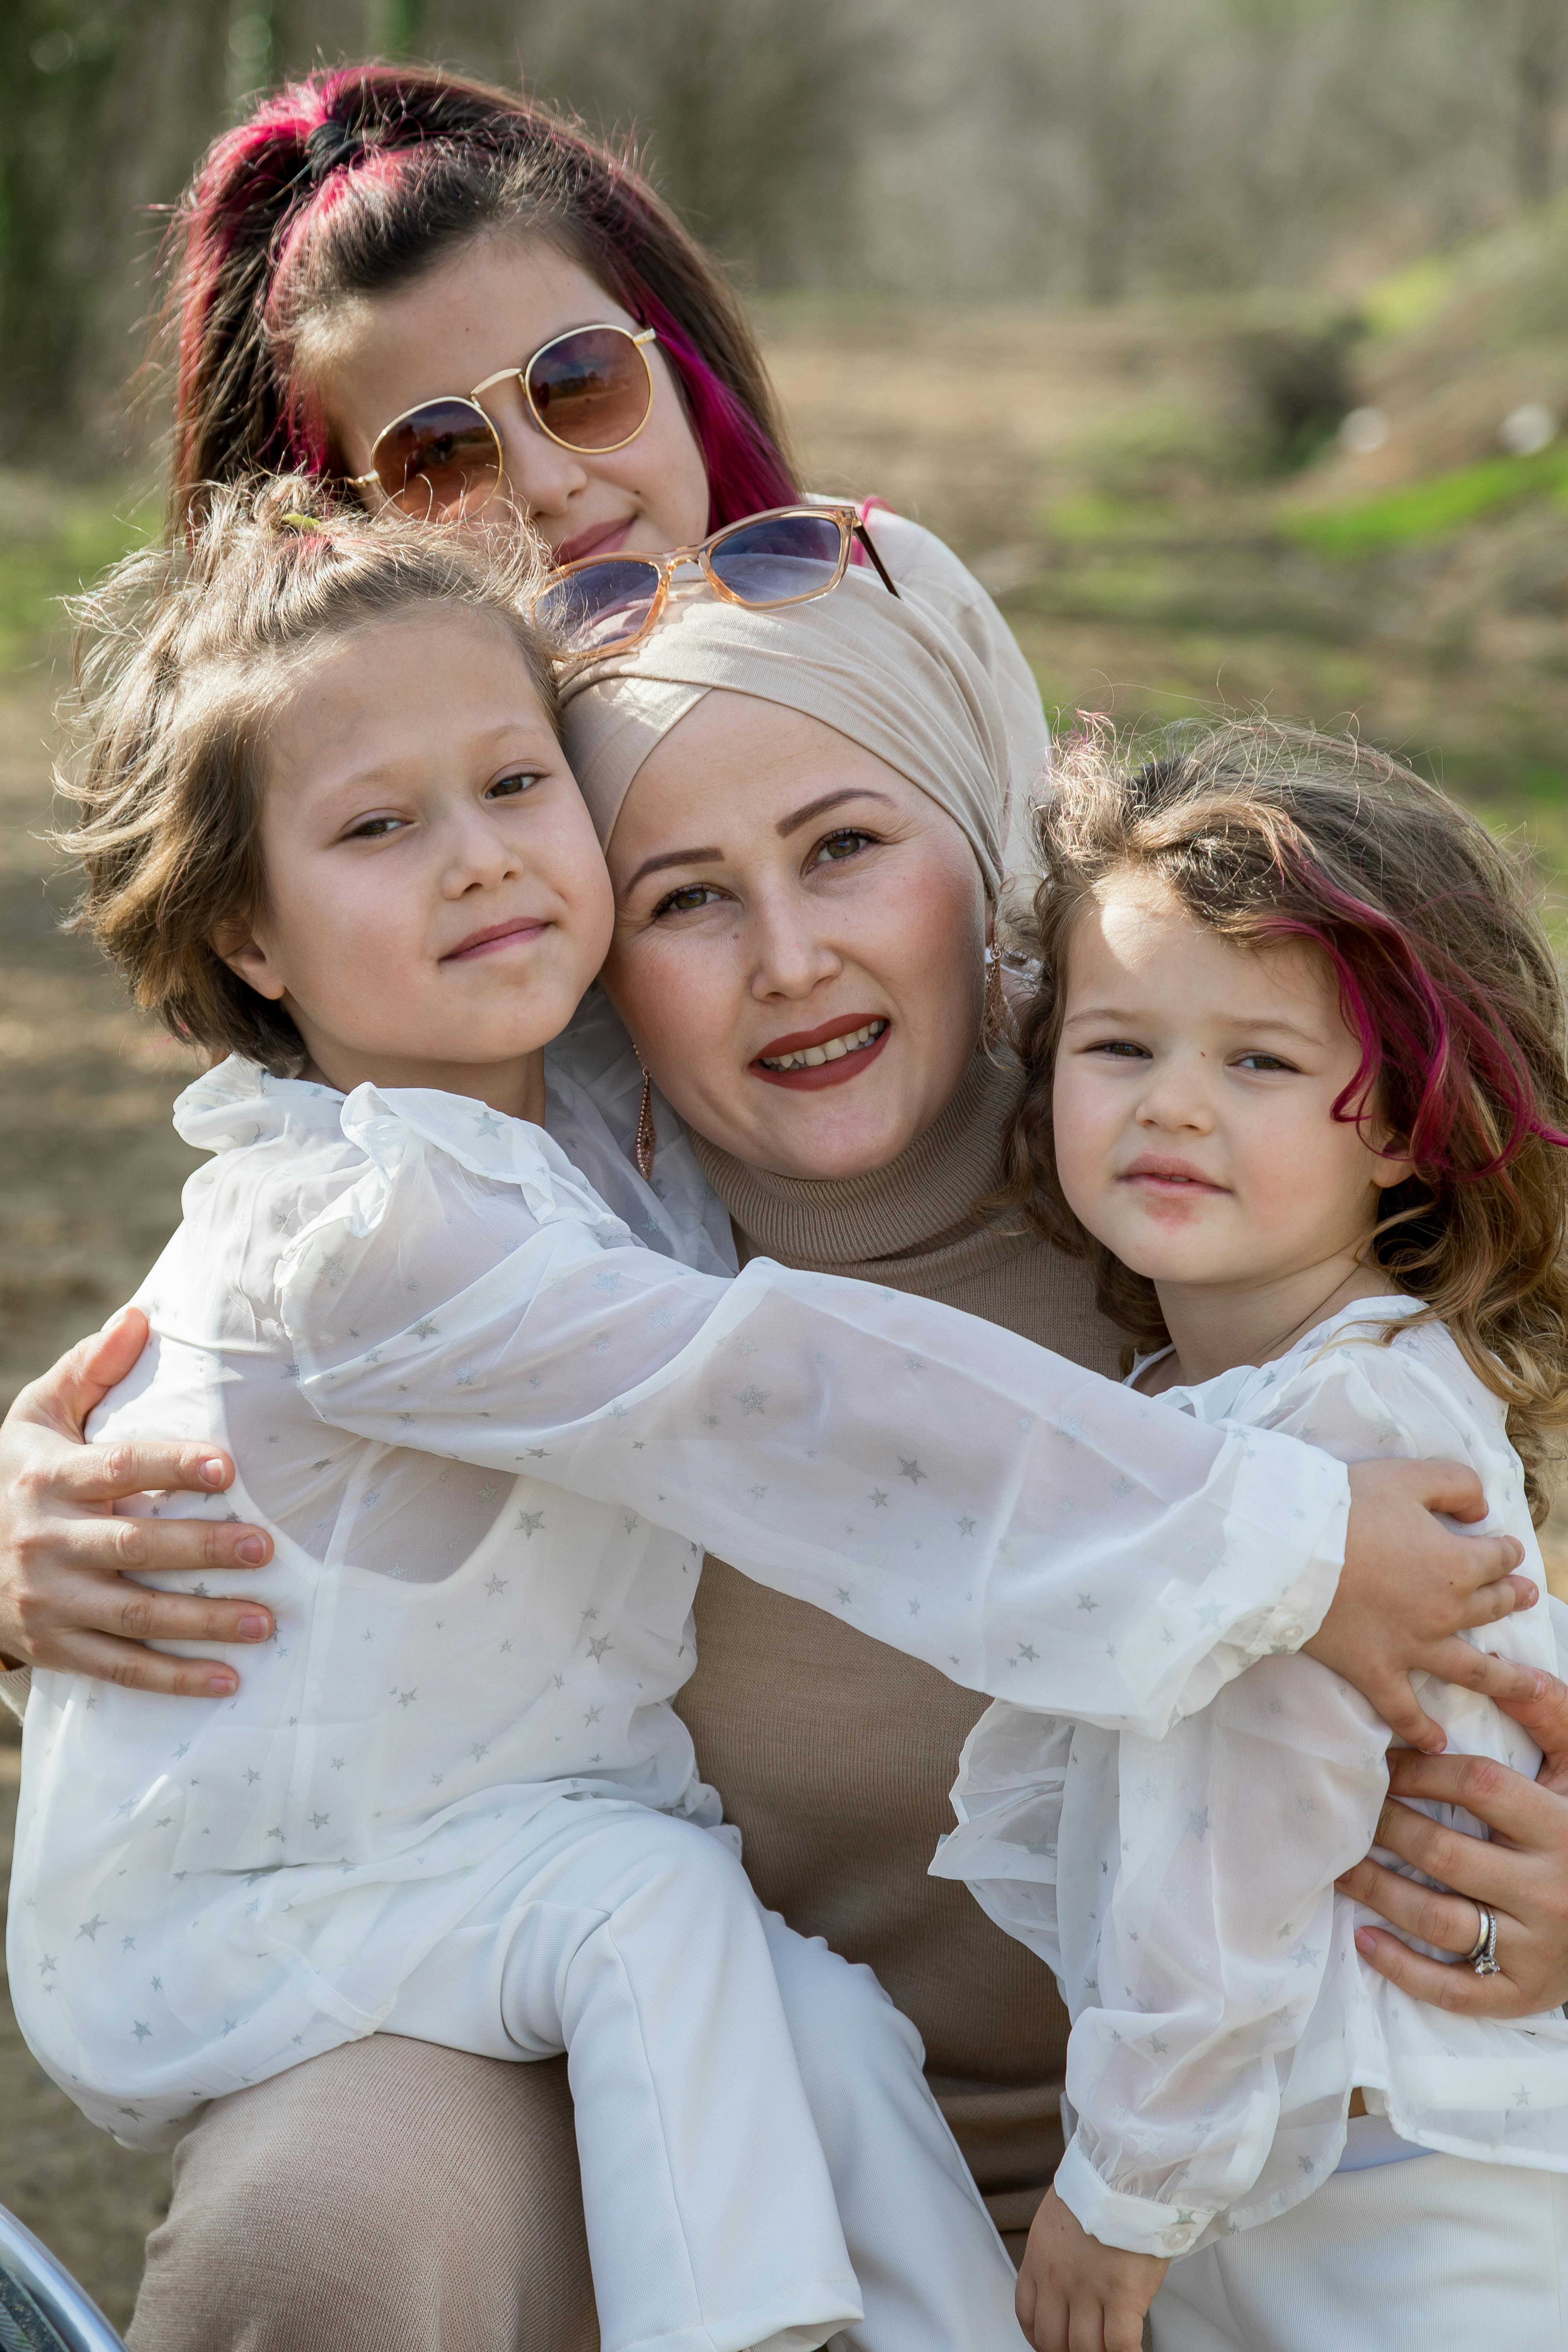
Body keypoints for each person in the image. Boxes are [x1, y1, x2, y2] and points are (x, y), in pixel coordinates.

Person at [2, 57, 1566, 2352]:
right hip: (714, 2094)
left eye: (574, 382)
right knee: (341, 2212)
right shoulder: (481, 1121)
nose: (540, 485)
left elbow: (1452, 1451)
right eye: (434, 459)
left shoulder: (1135, 1052)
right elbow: (332, 1344)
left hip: (1271, 2157)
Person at [932, 722, 1568, 2352]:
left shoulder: (1345, 1442)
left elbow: (1247, 1845)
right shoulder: (1213, 1395)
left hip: (1400, 2189)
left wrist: (1119, 2189)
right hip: (1285, 2159)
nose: (1175, 1110)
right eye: (1119, 1046)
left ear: (1404, 1118)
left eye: (1260, 1063)